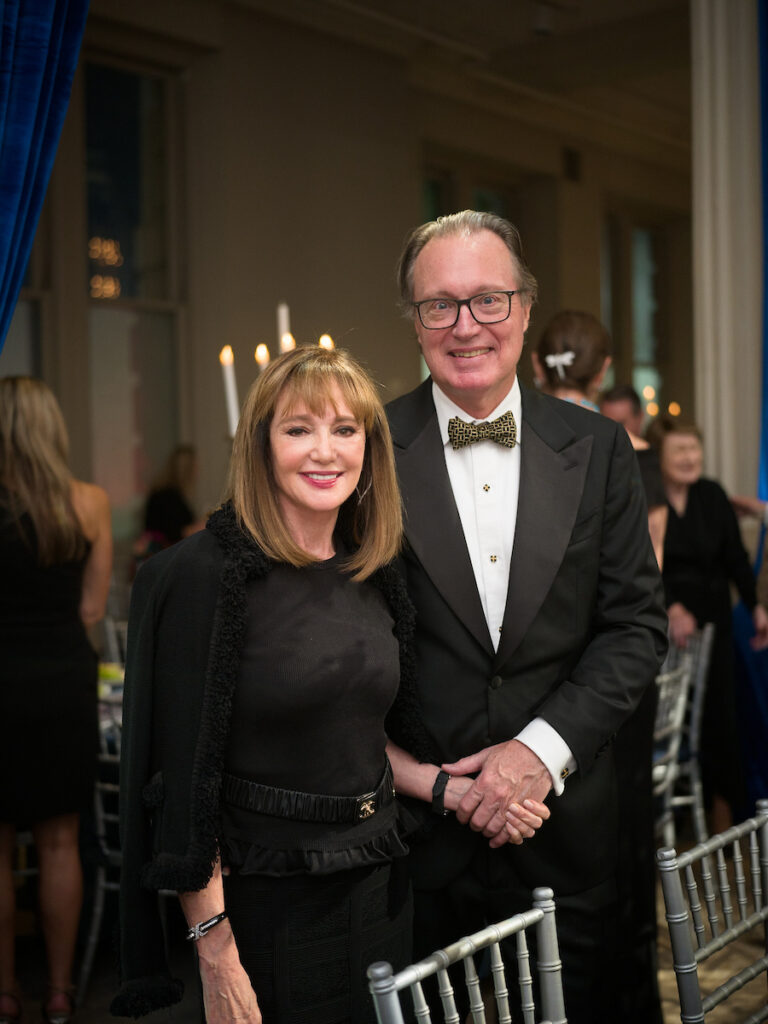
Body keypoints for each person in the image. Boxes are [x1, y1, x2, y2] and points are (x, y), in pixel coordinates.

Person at [110, 346, 549, 1024]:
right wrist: (215, 952)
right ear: (261, 445)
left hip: (378, 884)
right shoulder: (205, 575)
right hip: (267, 906)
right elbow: (182, 783)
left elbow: (357, 735)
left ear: (369, 449)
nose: (325, 451)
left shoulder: (372, 569)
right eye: (299, 429)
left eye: (345, 429)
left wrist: (451, 789)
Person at [385, 210, 668, 1024]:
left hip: (567, 836)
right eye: (439, 304)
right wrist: (446, 788)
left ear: (525, 307)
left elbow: (635, 627)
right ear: (414, 320)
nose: (465, 324)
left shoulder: (599, 447)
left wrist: (538, 753)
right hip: (421, 848)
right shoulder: (368, 448)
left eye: (489, 299)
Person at [533, 316, 665, 1022]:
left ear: (535, 365)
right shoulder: (629, 451)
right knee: (621, 831)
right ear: (605, 368)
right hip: (614, 677)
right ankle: (623, 994)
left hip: (544, 677)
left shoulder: (530, 446)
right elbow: (648, 585)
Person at [0, 377, 112, 1024]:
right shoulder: (88, 502)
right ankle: (63, 992)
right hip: (61, 681)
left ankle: (6, 991)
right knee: (60, 842)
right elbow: (92, 609)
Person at [647, 415, 768, 831]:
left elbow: (736, 558)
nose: (690, 457)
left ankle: (723, 823)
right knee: (667, 722)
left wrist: (756, 606)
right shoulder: (647, 499)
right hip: (663, 629)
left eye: (694, 448)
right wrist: (669, 607)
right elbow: (643, 565)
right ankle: (670, 819)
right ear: (658, 455)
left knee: (722, 721)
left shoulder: (712, 495)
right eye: (679, 449)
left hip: (715, 625)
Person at [600, 383, 667, 569]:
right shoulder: (598, 457)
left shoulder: (647, 459)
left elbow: (655, 531)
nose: (613, 432)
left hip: (635, 570)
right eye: (606, 423)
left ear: (640, 418)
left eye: (621, 424)